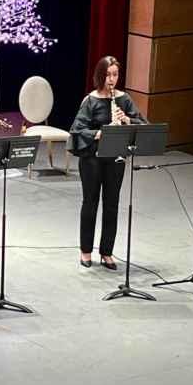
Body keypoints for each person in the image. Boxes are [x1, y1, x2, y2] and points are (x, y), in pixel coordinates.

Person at [66, 56, 148, 270]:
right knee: (90, 202)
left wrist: (127, 120)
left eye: (115, 75)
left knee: (111, 205)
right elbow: (77, 130)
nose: (111, 80)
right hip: (92, 158)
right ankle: (86, 250)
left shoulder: (124, 99)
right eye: (108, 75)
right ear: (100, 76)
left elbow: (143, 124)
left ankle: (107, 252)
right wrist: (103, 132)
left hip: (115, 157)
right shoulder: (90, 100)